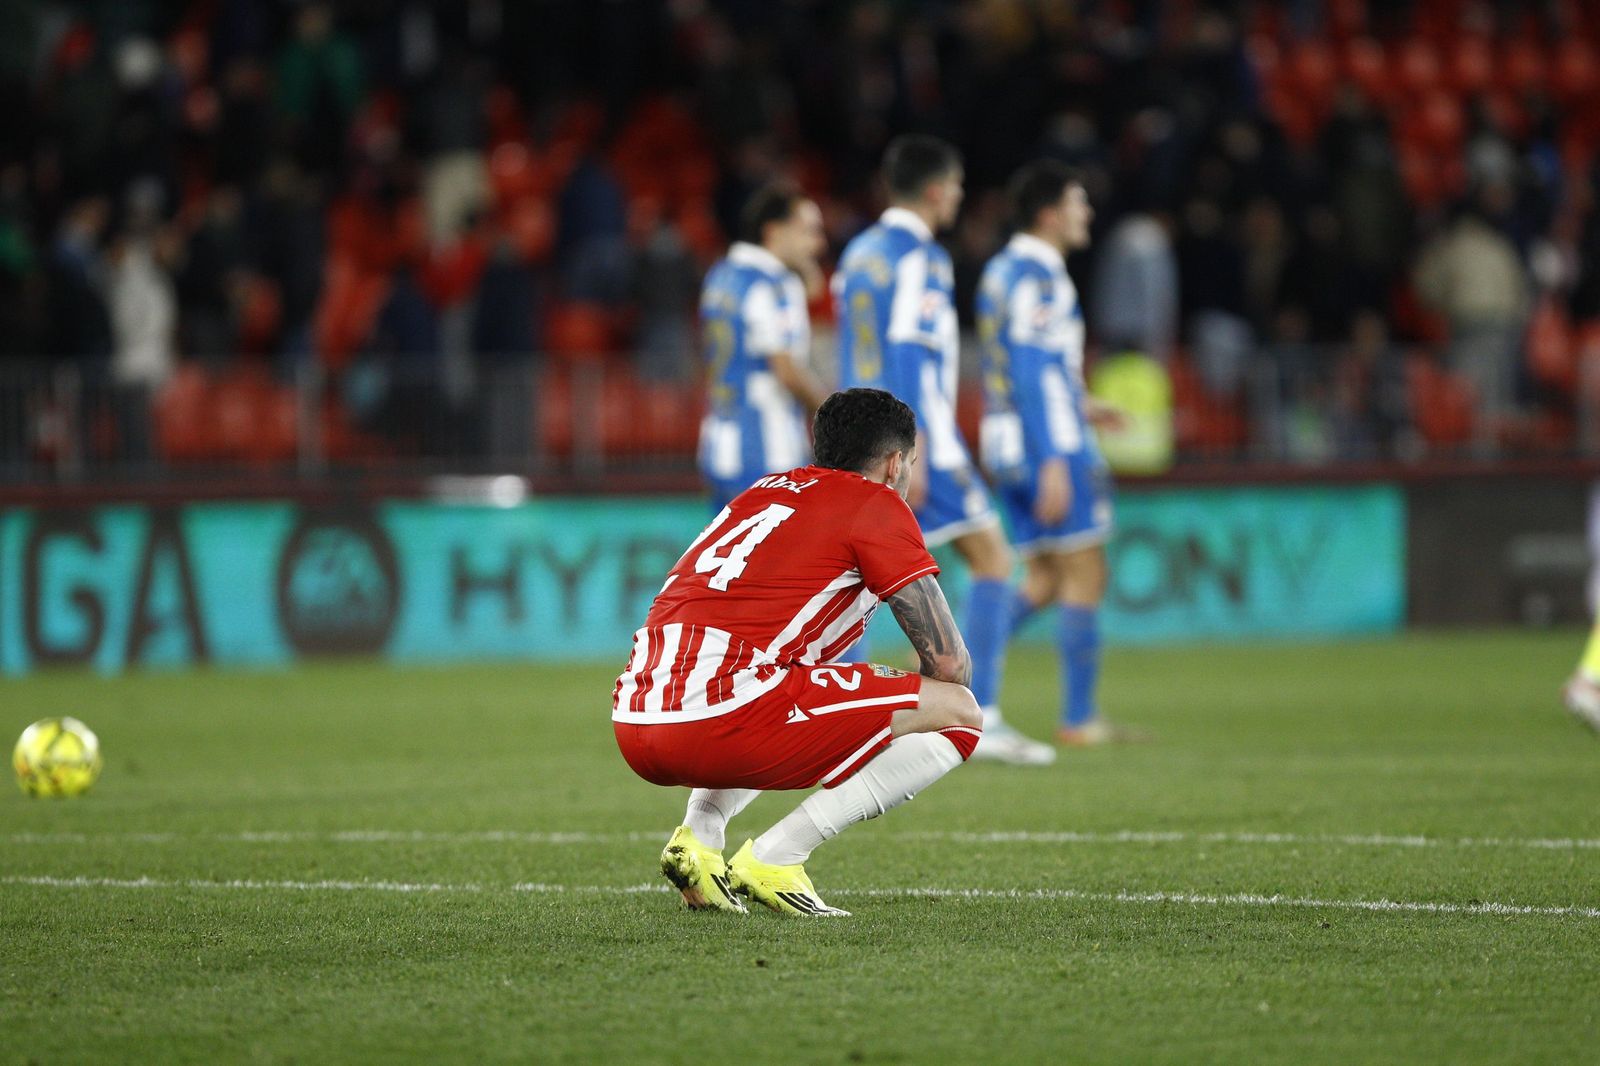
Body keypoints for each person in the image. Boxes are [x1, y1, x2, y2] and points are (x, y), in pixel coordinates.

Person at [614, 388, 983, 916]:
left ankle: (698, 838)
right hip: (723, 718)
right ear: (897, 461)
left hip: (635, 715)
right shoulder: (874, 502)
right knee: (960, 714)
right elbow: (951, 668)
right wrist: (909, 694)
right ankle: (778, 857)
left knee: (793, 675)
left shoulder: (763, 491)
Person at [833, 135, 1052, 766]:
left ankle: (833, 717)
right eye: (955, 188)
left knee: (856, 581)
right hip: (913, 436)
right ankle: (980, 718)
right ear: (936, 191)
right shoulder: (919, 255)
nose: (957, 199)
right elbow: (905, 349)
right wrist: (909, 446)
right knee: (991, 559)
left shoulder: (861, 254)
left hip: (858, 433)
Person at [976, 161, 1136, 746]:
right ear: (1049, 214)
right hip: (1047, 444)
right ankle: (1079, 717)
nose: (1086, 213)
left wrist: (1084, 403)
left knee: (1042, 578)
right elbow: (1031, 367)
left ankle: (960, 673)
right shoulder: (1040, 276)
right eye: (1077, 203)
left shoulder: (1001, 272)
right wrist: (1052, 457)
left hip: (1008, 438)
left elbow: (1028, 369)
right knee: (1086, 570)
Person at [697, 184, 829, 511]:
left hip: (720, 441)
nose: (818, 243)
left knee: (729, 558)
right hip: (768, 451)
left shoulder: (720, 276)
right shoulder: (775, 284)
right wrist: (835, 412)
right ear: (774, 231)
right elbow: (787, 371)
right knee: (786, 560)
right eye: (808, 231)